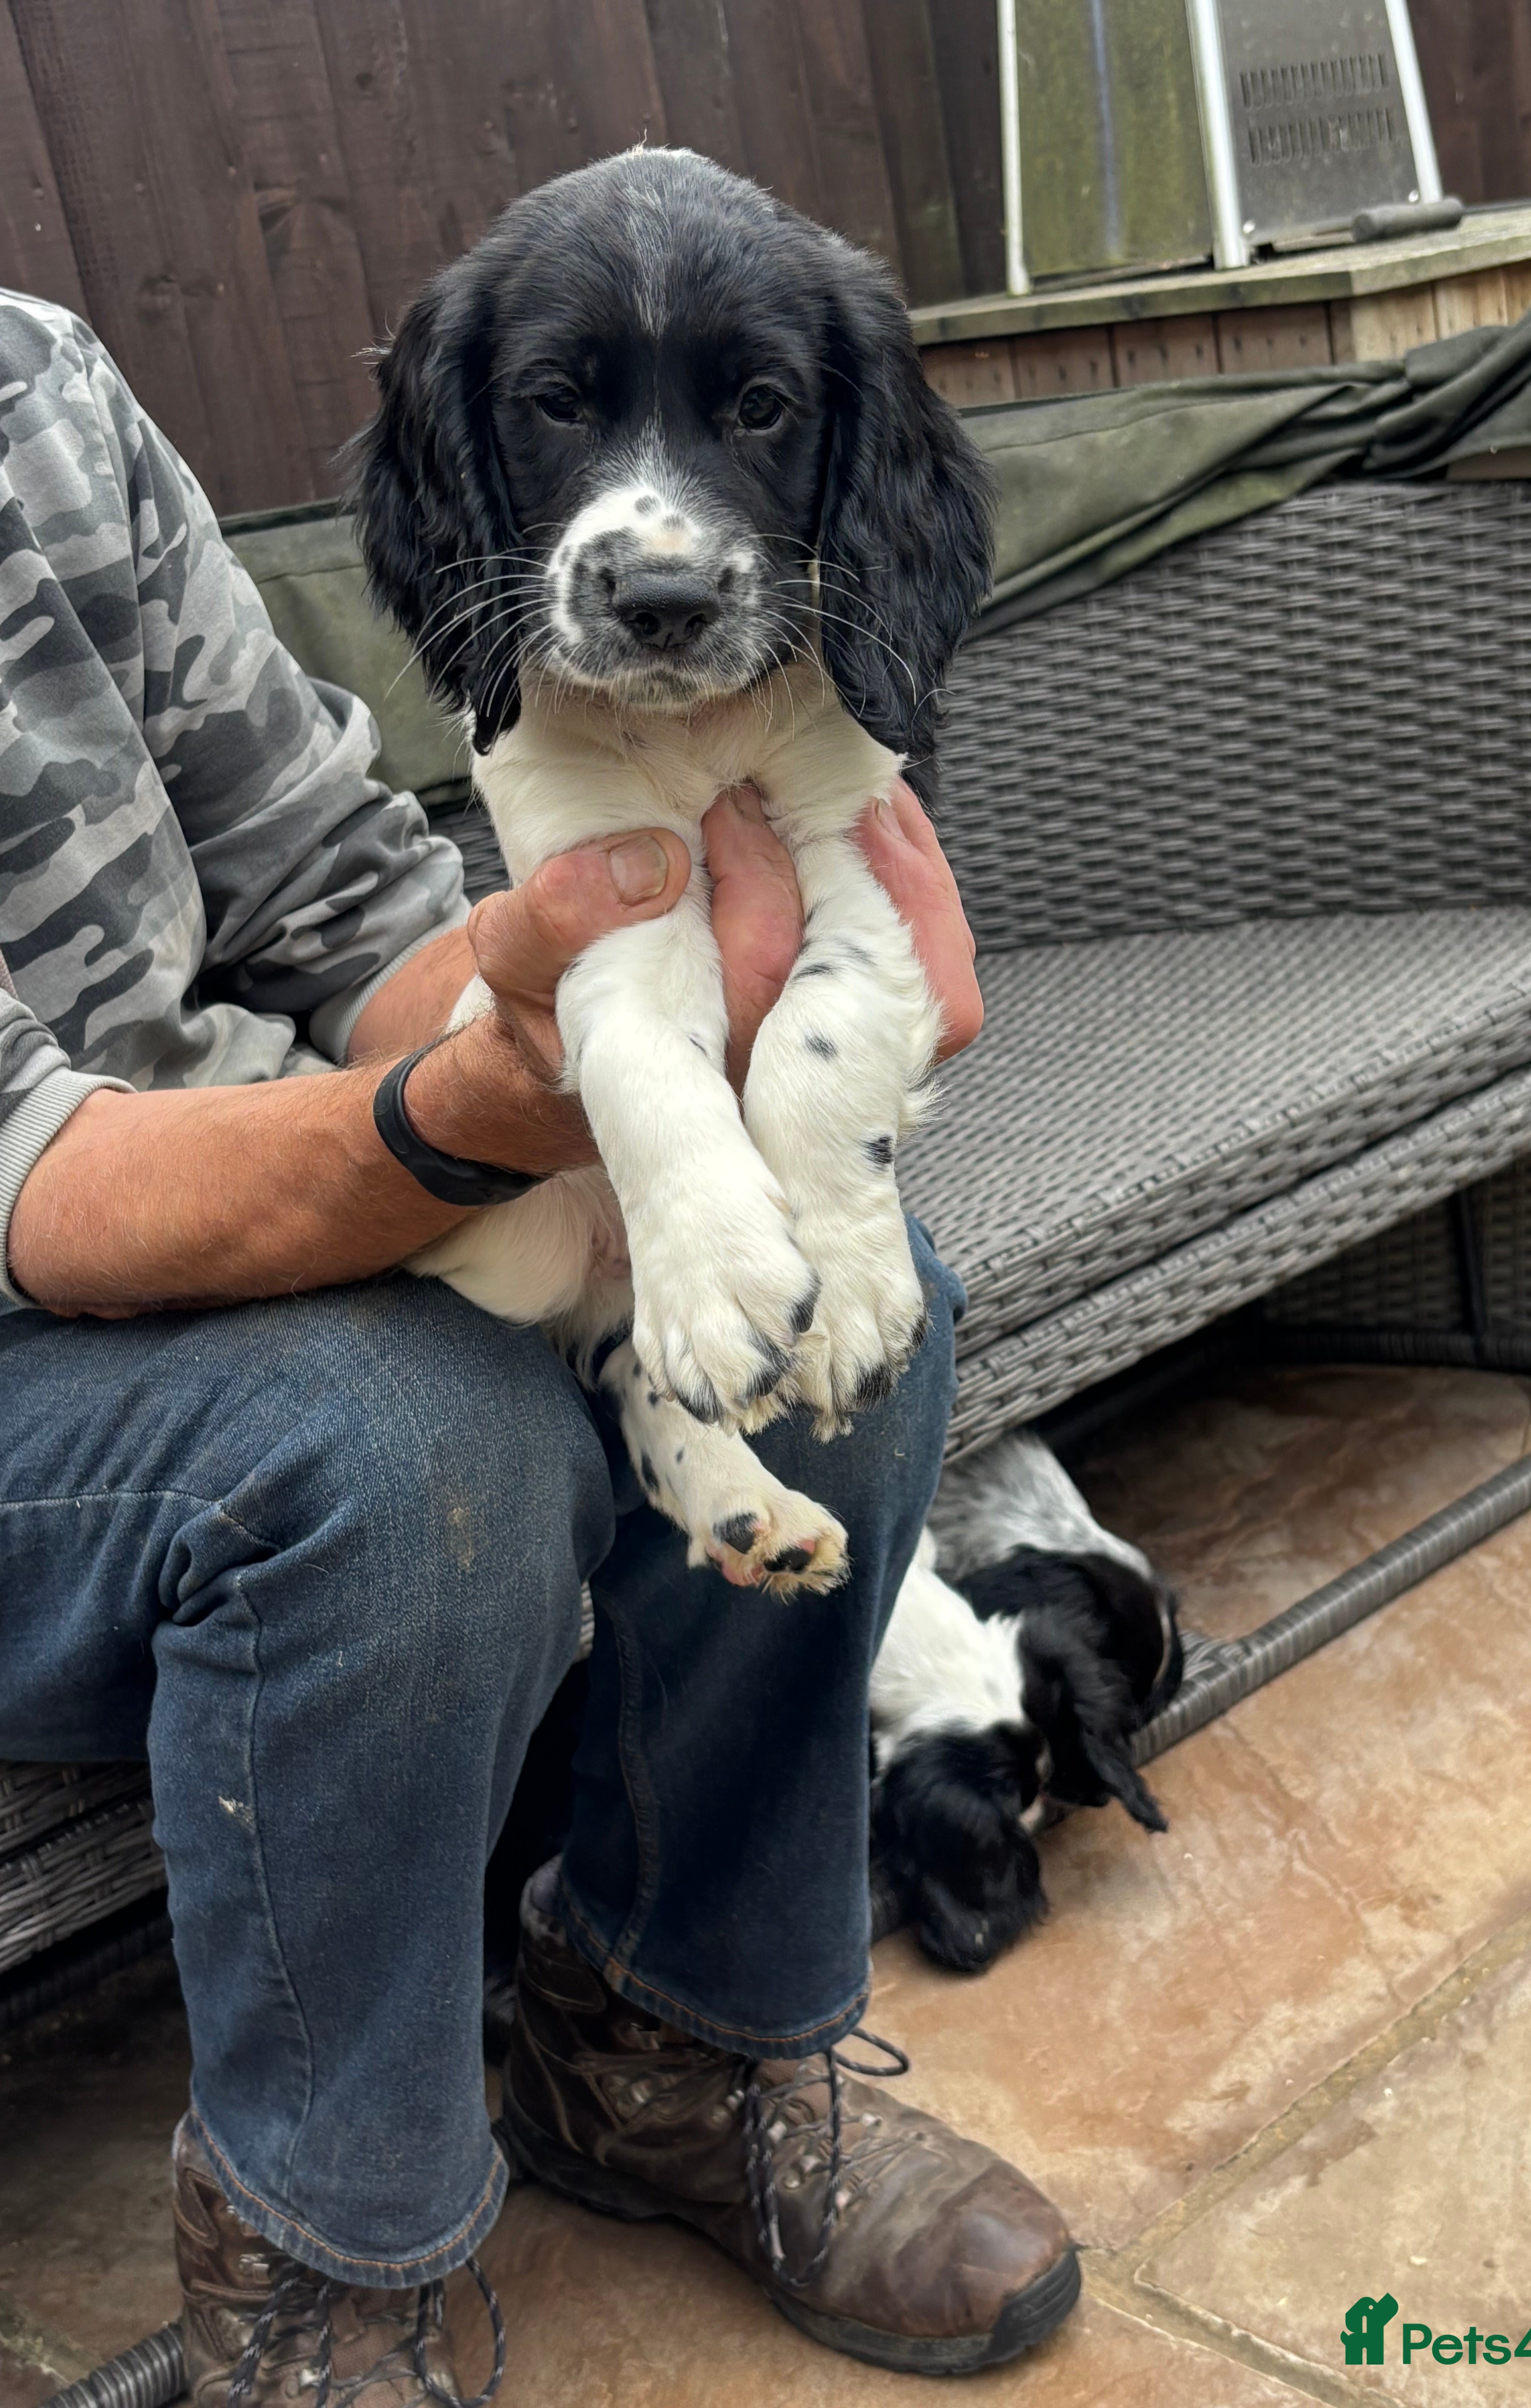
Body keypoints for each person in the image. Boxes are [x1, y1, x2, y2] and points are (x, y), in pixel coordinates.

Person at [0, 292, 1080, 2398]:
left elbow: (335, 897)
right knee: (403, 1454)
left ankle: (668, 2043)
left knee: (812, 1296)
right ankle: (326, 2267)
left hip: (209, 1171)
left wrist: (634, 1048)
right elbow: (40, 1187)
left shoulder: (31, 383)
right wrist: (477, 1120)